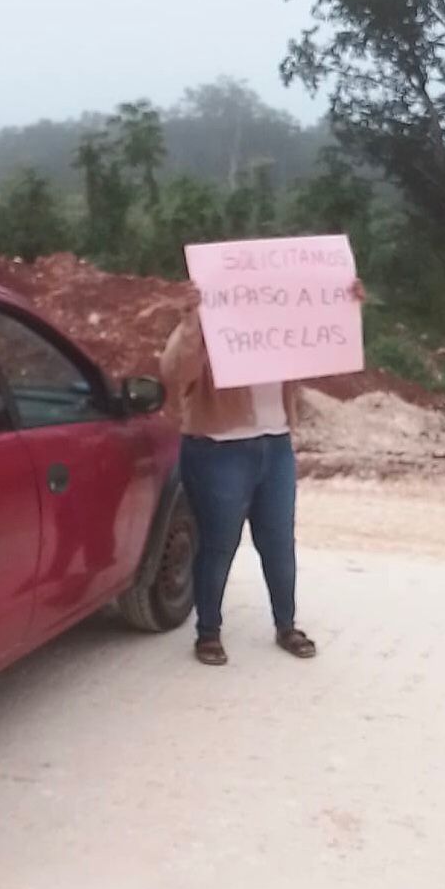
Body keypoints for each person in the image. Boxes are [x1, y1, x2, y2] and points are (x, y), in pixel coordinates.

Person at [161, 279, 364, 665]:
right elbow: (174, 372)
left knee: (279, 542)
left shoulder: (283, 320)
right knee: (219, 544)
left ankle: (286, 625)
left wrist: (342, 302)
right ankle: (208, 632)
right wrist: (191, 322)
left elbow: (323, 349)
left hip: (275, 443)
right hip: (218, 448)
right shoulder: (209, 318)